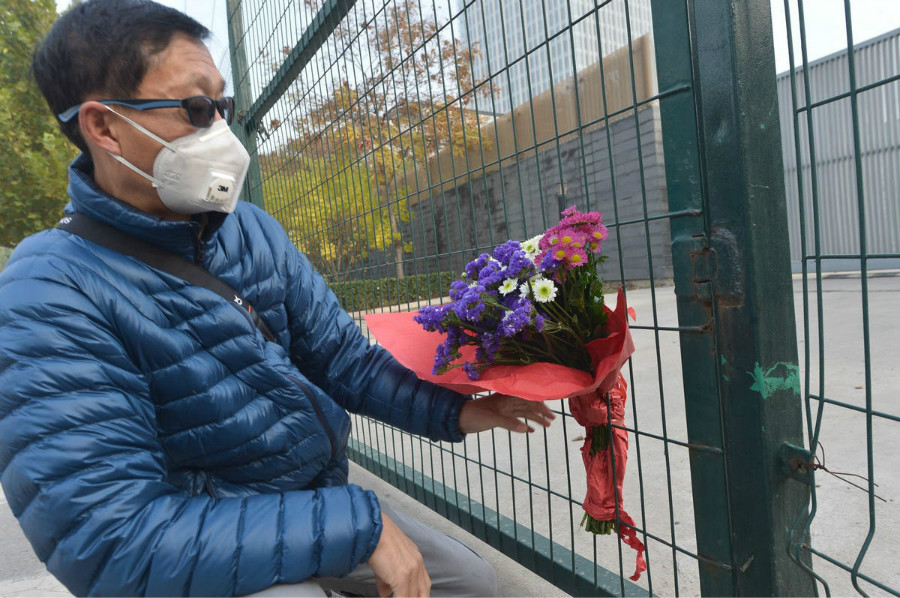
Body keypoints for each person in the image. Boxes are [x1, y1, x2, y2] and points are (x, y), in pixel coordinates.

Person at [0, 1, 556, 596]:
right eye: (194, 108)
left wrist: (459, 410)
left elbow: (343, 360)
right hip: (198, 541)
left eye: (222, 106)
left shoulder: (249, 230)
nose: (219, 130)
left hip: (309, 504)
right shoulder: (49, 291)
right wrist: (353, 527)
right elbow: (111, 541)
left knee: (469, 582)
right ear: (105, 127)